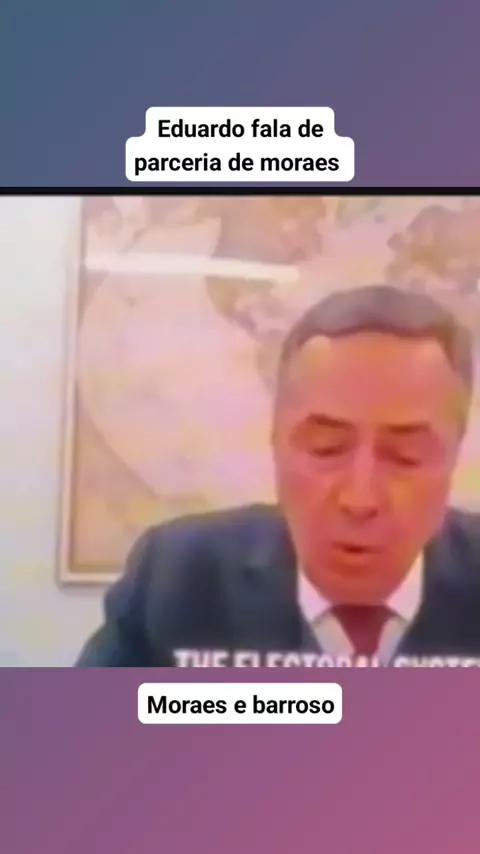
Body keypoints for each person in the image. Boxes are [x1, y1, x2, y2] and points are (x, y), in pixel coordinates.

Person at [76, 284, 480, 667]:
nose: (360, 498)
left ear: (454, 453)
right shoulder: (178, 577)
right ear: (275, 441)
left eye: (406, 456)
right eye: (325, 448)